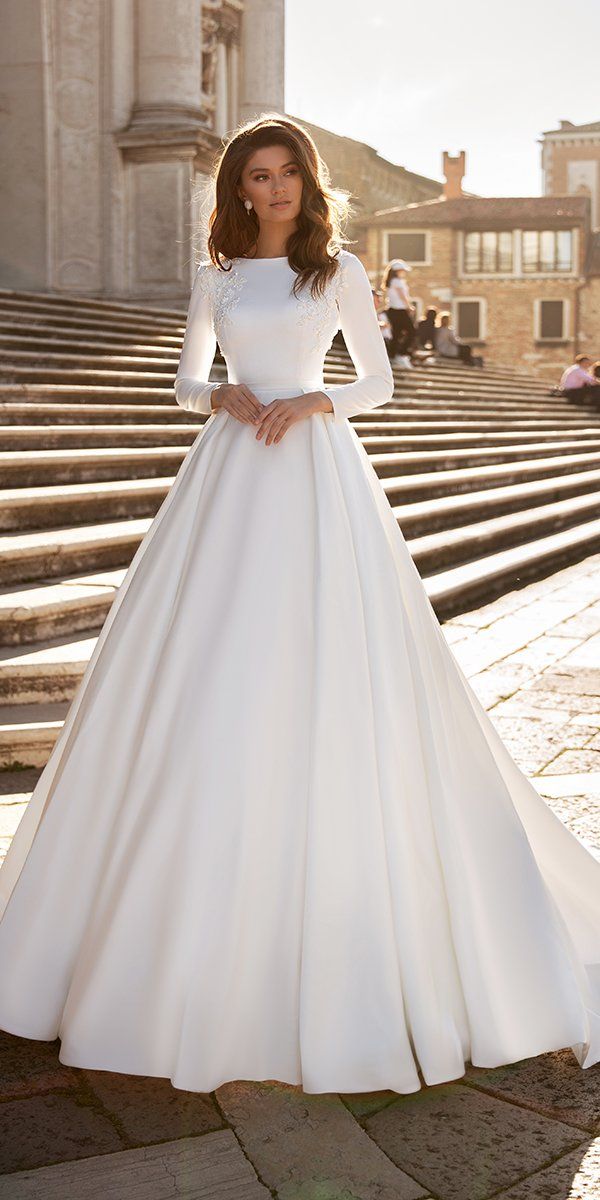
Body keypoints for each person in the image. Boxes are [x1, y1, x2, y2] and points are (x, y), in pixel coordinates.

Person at [0, 114, 598, 1098]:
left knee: (327, 664)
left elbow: (380, 384)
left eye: (284, 175)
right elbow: (188, 376)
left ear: (305, 183)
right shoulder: (221, 277)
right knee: (203, 672)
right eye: (255, 176)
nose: (271, 190)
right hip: (230, 473)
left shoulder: (340, 273)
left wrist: (308, 402)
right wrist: (223, 399)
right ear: (235, 188)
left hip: (316, 472)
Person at [382, 258, 416, 368]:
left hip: (393, 311)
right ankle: (401, 353)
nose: (404, 272)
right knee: (412, 332)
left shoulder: (392, 281)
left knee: (397, 333)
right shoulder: (397, 281)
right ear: (397, 271)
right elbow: (402, 296)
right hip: (399, 311)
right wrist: (409, 307)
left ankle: (393, 355)